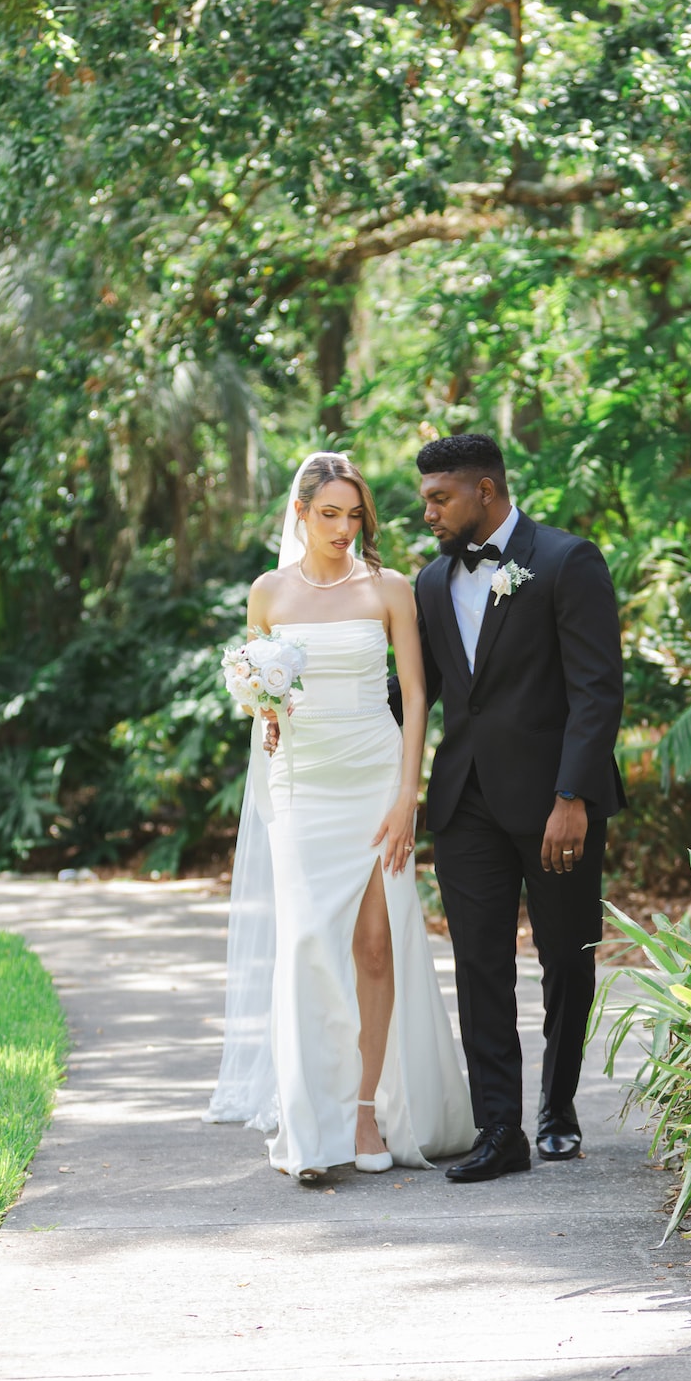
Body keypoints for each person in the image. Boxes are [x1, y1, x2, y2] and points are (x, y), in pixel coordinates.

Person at [203, 452, 476, 1182]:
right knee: (305, 947)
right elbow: (264, 697)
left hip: (374, 775)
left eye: (354, 515)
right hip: (301, 784)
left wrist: (407, 796)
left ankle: (363, 1110)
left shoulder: (388, 589)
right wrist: (266, 713)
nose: (343, 528)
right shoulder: (268, 593)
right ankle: (309, 1129)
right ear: (300, 513)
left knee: (376, 948)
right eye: (329, 514)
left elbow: (415, 696)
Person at [405, 433, 625, 1183]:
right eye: (426, 499)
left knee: (566, 957)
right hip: (463, 800)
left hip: (554, 800)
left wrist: (573, 797)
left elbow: (597, 690)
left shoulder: (566, 561)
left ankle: (557, 1108)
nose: (429, 512)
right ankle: (499, 1129)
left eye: (440, 498)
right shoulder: (430, 583)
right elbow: (419, 692)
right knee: (479, 964)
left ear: (486, 491)